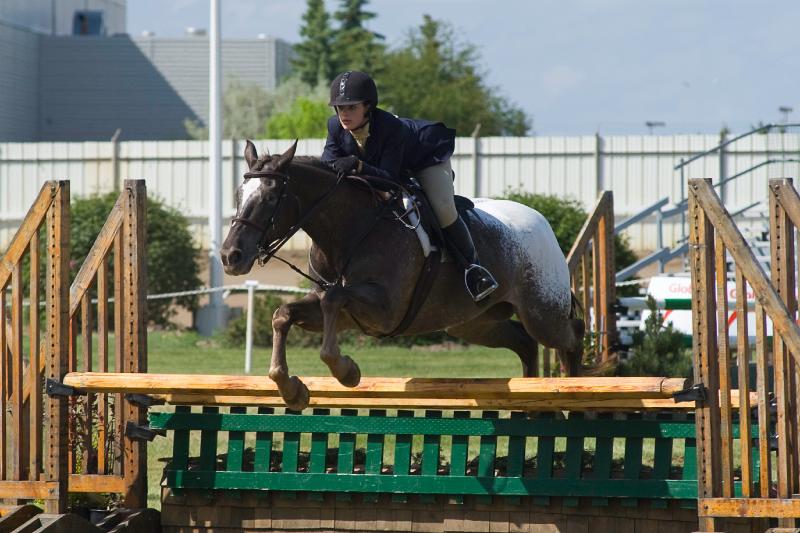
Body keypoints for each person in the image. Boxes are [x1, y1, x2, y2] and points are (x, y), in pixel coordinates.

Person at [321, 70, 498, 302]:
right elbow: (327, 164)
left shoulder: (392, 128)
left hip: (424, 157)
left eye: (351, 107)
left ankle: (474, 270)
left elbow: (389, 179)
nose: (344, 114)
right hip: (386, 164)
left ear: (367, 106)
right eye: (340, 108)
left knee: (443, 207)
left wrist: (359, 166)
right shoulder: (335, 127)